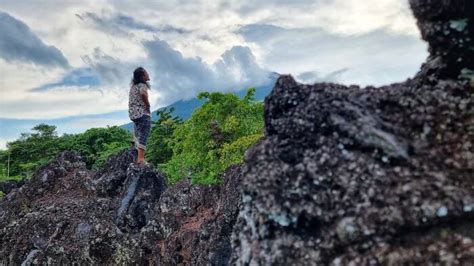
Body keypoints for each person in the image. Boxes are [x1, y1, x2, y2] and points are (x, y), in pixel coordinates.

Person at [129, 67, 152, 165]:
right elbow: (143, 94)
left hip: (133, 114)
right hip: (142, 113)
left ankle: (135, 156)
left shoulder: (133, 87)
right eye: (146, 72)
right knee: (144, 134)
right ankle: (141, 159)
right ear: (143, 75)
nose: (148, 73)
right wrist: (147, 105)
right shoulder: (142, 85)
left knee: (138, 134)